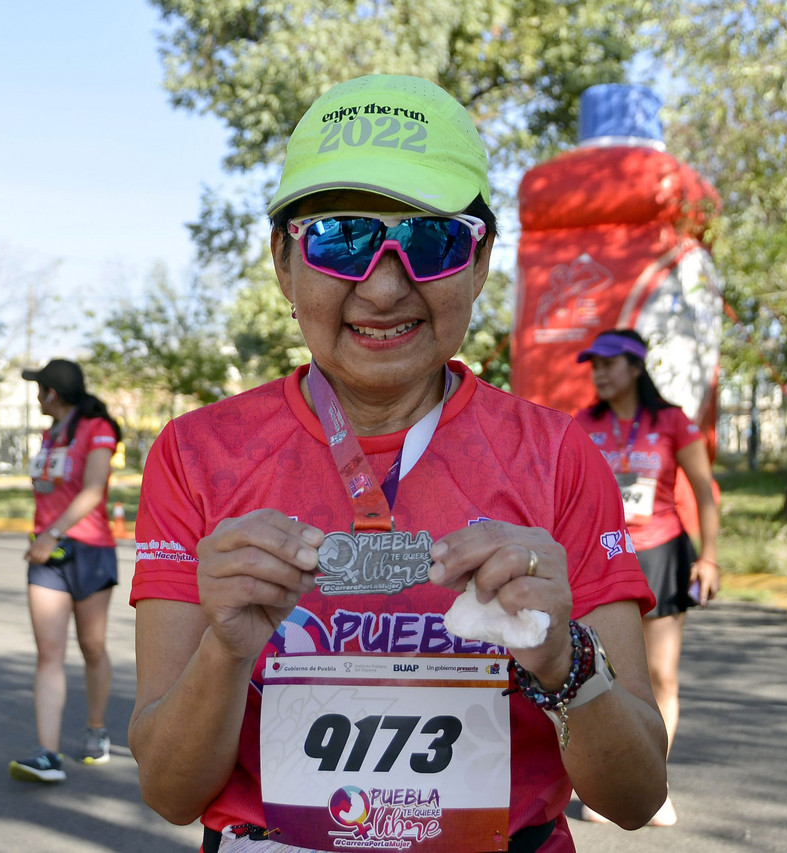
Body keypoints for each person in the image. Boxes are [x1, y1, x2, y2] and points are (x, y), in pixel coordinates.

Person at [129, 74, 669, 853]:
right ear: (284, 263)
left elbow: (637, 795)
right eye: (340, 239)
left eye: (431, 239)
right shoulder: (195, 453)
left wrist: (564, 658)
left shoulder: (557, 455)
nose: (384, 286)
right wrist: (226, 648)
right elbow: (169, 791)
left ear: (479, 266)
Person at [571, 328, 721, 827]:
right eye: (594, 364)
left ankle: (654, 780)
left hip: (660, 553)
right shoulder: (581, 424)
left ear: (636, 367)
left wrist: (710, 557)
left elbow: (703, 489)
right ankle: (605, 783)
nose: (600, 373)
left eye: (610, 363)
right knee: (597, 671)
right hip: (601, 559)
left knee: (660, 675)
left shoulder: (671, 421)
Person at [10, 358, 122, 783]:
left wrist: (52, 533)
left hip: (88, 550)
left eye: (39, 389)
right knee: (49, 654)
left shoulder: (97, 430)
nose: (37, 395)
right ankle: (47, 753)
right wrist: (46, 537)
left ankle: (96, 731)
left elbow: (94, 491)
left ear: (51, 394)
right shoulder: (48, 435)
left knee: (92, 646)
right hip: (48, 556)